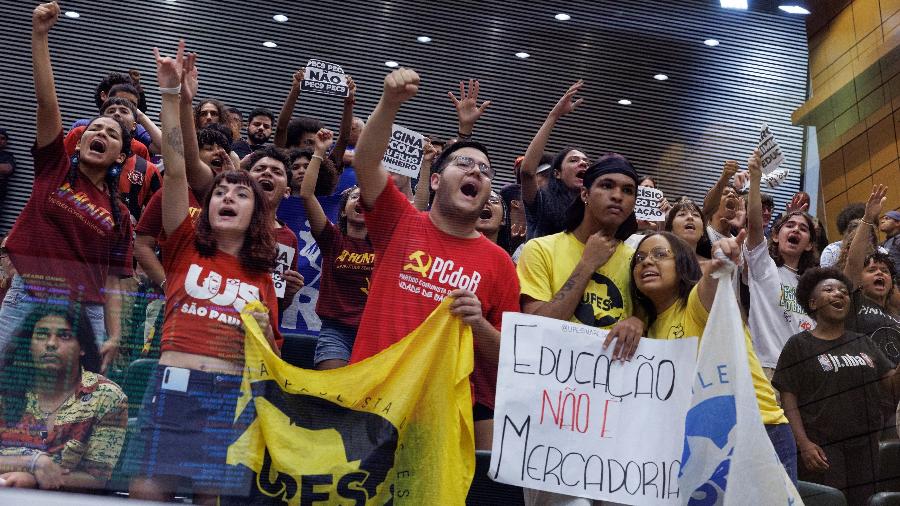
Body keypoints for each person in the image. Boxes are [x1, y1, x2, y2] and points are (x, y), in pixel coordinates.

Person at [128, 41, 282, 502]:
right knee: (146, 493)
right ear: (207, 205)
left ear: (256, 212)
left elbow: (272, 353)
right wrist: (173, 96)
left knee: (209, 499)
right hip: (171, 388)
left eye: (240, 193)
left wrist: (263, 332)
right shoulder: (182, 245)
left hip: (227, 397)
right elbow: (176, 170)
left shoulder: (261, 277)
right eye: (220, 192)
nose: (227, 197)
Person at [348, 67, 520, 450]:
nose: (476, 170)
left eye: (485, 171)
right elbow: (365, 162)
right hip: (372, 401)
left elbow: (508, 358)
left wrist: (478, 324)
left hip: (441, 423)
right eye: (464, 164)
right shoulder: (400, 222)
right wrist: (389, 103)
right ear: (438, 180)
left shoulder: (500, 264)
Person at [1, 2, 134, 373]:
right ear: (78, 142)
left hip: (85, 313)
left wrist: (114, 335)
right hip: (28, 296)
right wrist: (39, 35)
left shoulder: (120, 214)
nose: (101, 133)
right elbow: (47, 102)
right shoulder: (53, 168)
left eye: (111, 134)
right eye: (95, 128)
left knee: (73, 400)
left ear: (120, 157)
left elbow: (112, 280)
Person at [630, 230, 797, 482]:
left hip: (757, 431)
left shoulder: (696, 304)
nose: (646, 261)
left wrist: (718, 260)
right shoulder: (648, 330)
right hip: (705, 445)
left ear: (683, 263)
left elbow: (709, 282)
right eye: (639, 258)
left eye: (660, 254)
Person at [773, 267, 898, 505]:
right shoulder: (799, 345)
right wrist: (804, 444)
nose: (838, 294)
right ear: (812, 302)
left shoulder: (863, 342)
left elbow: (892, 386)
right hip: (823, 449)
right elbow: (788, 399)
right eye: (828, 290)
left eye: (843, 291)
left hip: (866, 446)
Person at [517, 154, 644, 361]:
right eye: (607, 185)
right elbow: (535, 330)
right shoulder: (540, 249)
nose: (617, 196)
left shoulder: (637, 261)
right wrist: (587, 264)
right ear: (585, 194)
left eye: (628, 190)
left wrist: (638, 323)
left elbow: (650, 324)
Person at [0, 303, 127, 490]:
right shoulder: (5, 386)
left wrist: (32, 480)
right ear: (29, 344)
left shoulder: (107, 397)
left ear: (82, 347)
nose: (51, 344)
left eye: (64, 336)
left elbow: (97, 478)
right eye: (42, 335)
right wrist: (33, 463)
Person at [301, 129, 373, 370]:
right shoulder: (331, 239)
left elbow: (418, 212)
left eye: (366, 197)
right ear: (343, 210)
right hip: (336, 333)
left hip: (376, 333)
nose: (360, 200)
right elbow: (307, 194)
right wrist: (319, 153)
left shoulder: (386, 244)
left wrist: (425, 165)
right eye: (354, 196)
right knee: (332, 396)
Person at [745, 149, 817, 378]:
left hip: (805, 375)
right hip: (767, 368)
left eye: (803, 228)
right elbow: (755, 226)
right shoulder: (763, 266)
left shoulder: (812, 284)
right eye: (790, 225)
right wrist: (755, 180)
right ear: (775, 235)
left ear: (808, 245)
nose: (796, 229)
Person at [64, 96, 163, 221]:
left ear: (120, 157)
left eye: (124, 111)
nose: (116, 114)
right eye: (110, 111)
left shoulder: (123, 217)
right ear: (78, 143)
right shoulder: (57, 173)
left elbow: (157, 215)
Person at [520, 81, 589, 239]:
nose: (583, 163)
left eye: (586, 161)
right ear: (556, 173)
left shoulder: (594, 208)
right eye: (573, 160)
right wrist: (553, 116)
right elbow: (527, 172)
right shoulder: (542, 201)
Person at [820, 202, 866, 267]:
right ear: (844, 231)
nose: (858, 232)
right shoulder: (832, 251)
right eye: (853, 227)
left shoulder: (880, 250)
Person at [0, 129, 16, 209]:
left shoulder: (8, 157)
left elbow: (7, 169)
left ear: (6, 142)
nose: (0, 140)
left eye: (3, 138)